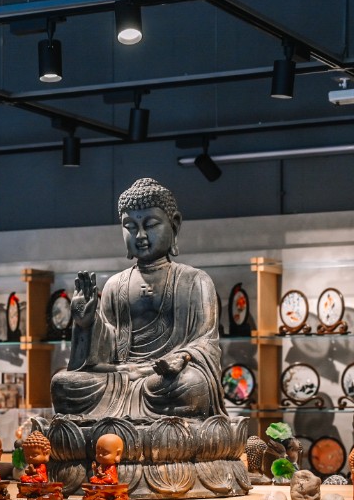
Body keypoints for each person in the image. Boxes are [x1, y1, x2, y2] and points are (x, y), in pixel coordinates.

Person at [50, 177, 227, 420]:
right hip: (122, 377)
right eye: (130, 226)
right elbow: (107, 351)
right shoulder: (115, 285)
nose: (140, 235)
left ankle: (120, 423)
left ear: (174, 225)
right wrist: (86, 324)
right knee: (63, 384)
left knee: (193, 386)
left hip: (165, 381)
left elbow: (206, 342)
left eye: (151, 224)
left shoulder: (195, 281)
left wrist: (182, 357)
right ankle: (131, 421)